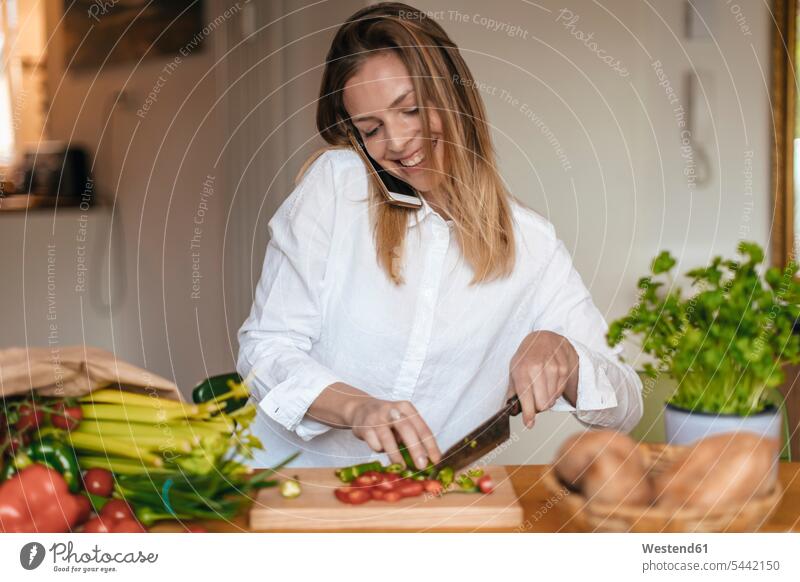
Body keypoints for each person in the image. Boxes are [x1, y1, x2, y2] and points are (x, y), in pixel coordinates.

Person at [237, 2, 643, 469]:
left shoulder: (533, 245)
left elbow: (627, 405)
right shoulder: (337, 185)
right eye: (372, 129)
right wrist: (357, 407)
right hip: (287, 489)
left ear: (454, 94)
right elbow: (265, 348)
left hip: (421, 512)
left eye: (410, 109)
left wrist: (566, 356)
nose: (398, 141)